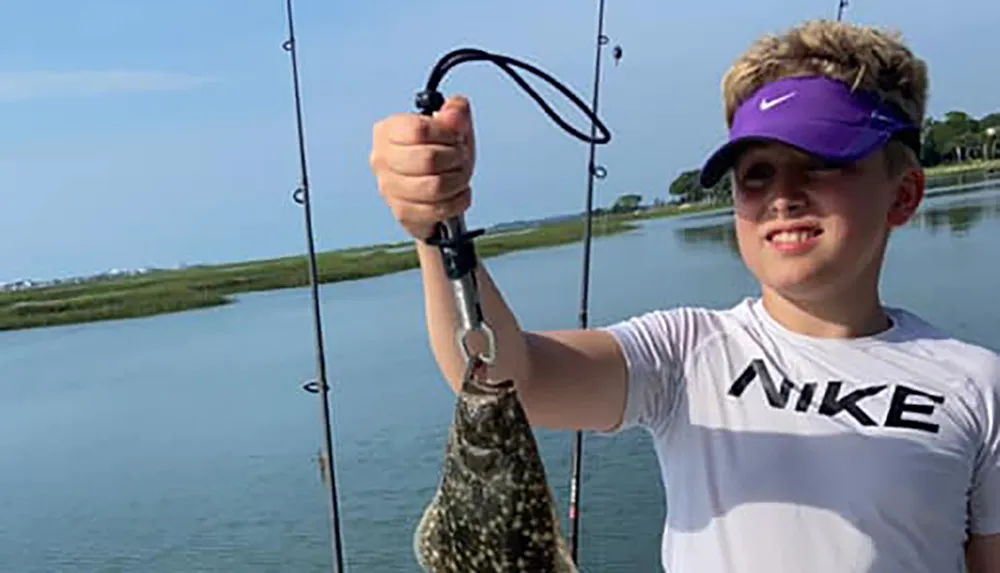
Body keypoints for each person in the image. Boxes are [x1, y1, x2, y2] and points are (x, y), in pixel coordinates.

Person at [368, 18, 1000, 573]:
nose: (783, 195)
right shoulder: (687, 351)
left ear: (905, 193)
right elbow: (512, 377)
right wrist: (436, 227)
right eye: (755, 175)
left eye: (822, 162)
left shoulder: (976, 385)